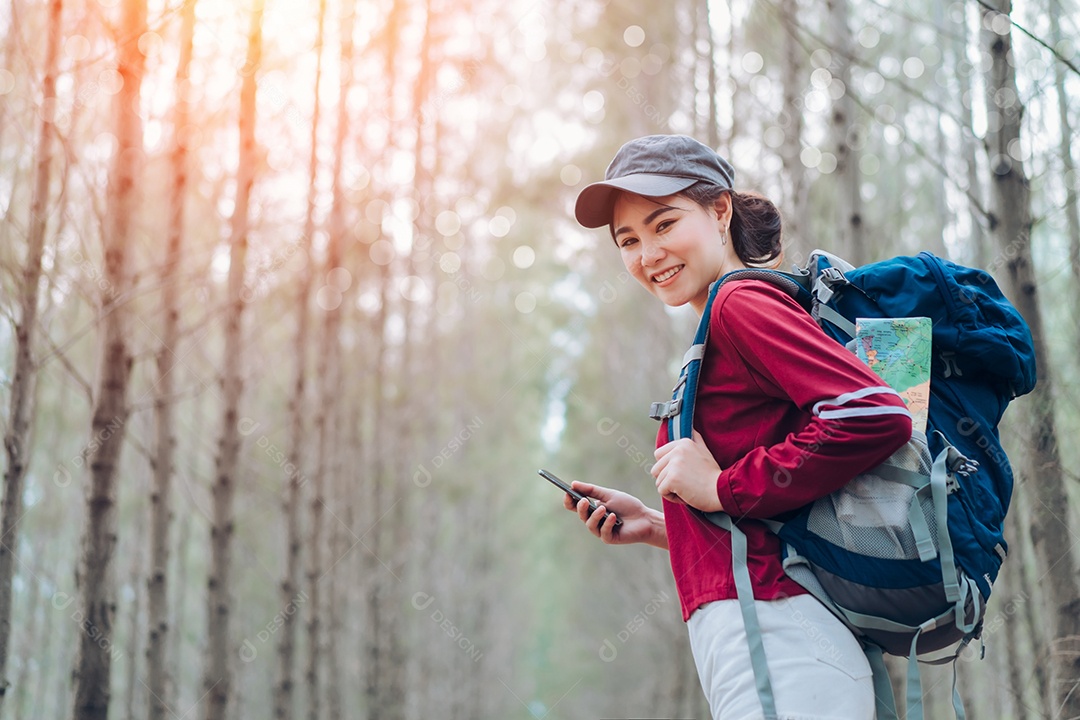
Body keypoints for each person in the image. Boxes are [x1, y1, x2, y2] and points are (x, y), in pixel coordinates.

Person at [565, 134, 913, 720]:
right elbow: (768, 520)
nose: (648, 253)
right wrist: (658, 526)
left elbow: (875, 414)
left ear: (719, 210)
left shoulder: (738, 306)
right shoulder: (723, 323)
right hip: (780, 638)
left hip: (779, 637)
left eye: (664, 223)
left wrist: (719, 488)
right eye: (628, 240)